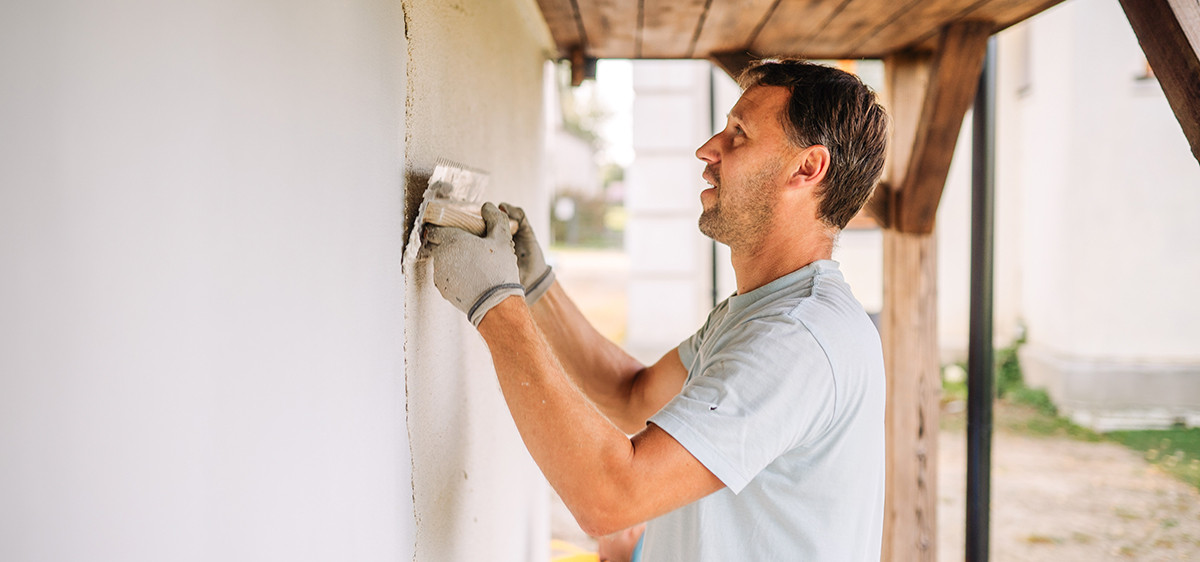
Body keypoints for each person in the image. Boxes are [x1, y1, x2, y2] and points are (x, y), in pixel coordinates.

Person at [423, 59, 890, 561]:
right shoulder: (761, 313)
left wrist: (496, 304)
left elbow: (611, 496)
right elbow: (633, 394)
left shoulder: (795, 339)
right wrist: (535, 288)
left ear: (806, 168)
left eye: (739, 134)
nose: (708, 149)